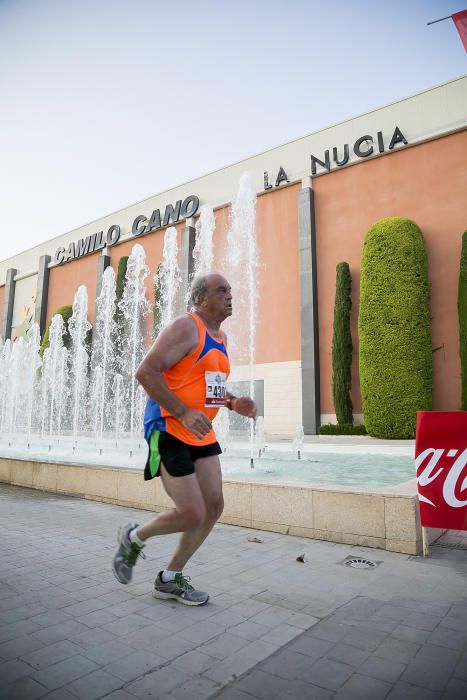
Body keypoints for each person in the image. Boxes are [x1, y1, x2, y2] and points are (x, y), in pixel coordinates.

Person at [112, 273, 256, 606]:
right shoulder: (185, 327)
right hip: (168, 428)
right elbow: (146, 372)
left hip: (198, 431)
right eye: (222, 290)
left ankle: (170, 578)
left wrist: (233, 403)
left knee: (214, 505)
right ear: (201, 299)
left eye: (230, 290)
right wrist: (182, 412)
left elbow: (209, 387)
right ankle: (133, 538)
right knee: (192, 512)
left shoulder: (219, 338)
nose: (230, 296)